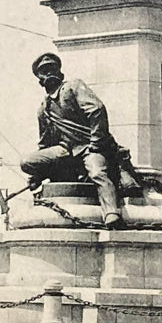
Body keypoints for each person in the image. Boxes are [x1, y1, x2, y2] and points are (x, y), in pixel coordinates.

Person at [19, 53, 140, 230]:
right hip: (66, 150)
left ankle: (112, 213)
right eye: (44, 71)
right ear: (39, 79)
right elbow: (45, 143)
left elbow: (97, 110)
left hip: (90, 146)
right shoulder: (43, 109)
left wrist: (96, 143)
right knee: (27, 162)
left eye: (52, 68)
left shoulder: (72, 87)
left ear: (59, 70)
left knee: (98, 172)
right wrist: (38, 174)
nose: (49, 73)